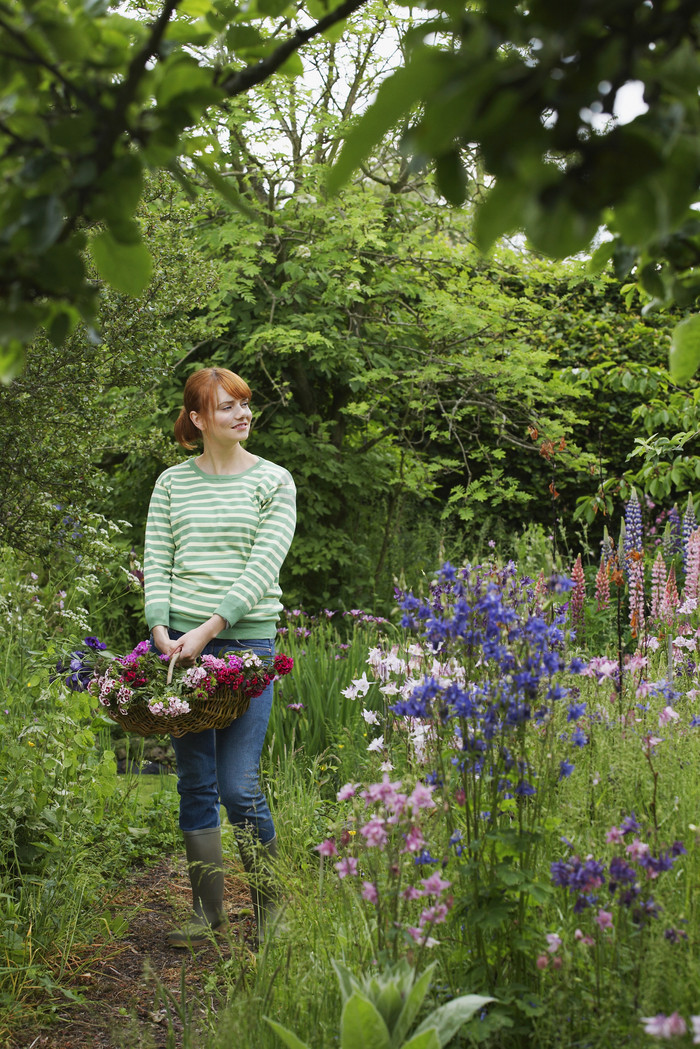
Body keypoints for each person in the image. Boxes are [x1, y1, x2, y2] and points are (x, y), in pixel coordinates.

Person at [143, 366, 296, 948]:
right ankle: (208, 913)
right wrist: (161, 627)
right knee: (196, 782)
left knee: (239, 787)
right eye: (227, 406)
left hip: (246, 647)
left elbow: (263, 567)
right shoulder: (171, 484)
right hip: (181, 647)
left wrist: (211, 628)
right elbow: (157, 559)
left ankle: (269, 909)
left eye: (244, 404)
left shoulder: (275, 481)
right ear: (199, 418)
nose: (242, 414)